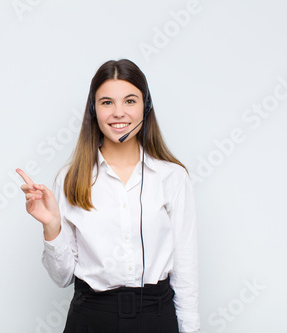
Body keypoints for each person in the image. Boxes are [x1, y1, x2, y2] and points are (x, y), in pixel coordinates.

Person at [16, 59, 199, 333]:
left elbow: (186, 267)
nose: (118, 113)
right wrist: (51, 226)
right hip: (91, 316)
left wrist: (190, 329)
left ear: (145, 107)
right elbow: (62, 277)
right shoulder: (70, 178)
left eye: (129, 101)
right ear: (94, 109)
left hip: (155, 316)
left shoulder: (172, 177)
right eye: (106, 102)